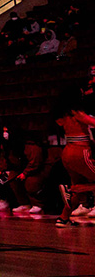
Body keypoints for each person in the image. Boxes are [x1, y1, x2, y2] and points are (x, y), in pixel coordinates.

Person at [55, 95, 95, 226]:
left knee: (79, 181)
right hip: (81, 151)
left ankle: (63, 217)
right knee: (81, 185)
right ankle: (72, 189)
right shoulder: (77, 113)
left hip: (67, 152)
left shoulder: (63, 115)